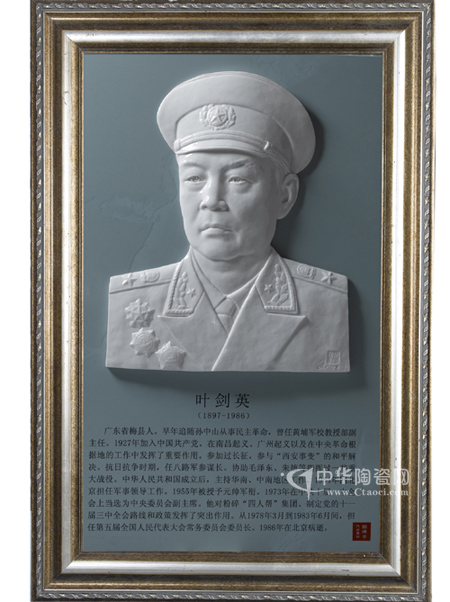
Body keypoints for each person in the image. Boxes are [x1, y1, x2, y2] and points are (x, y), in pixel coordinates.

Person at [105, 71, 349, 372]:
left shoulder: (325, 302)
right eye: (194, 178)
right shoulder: (133, 300)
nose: (211, 199)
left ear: (284, 196)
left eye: (238, 179)